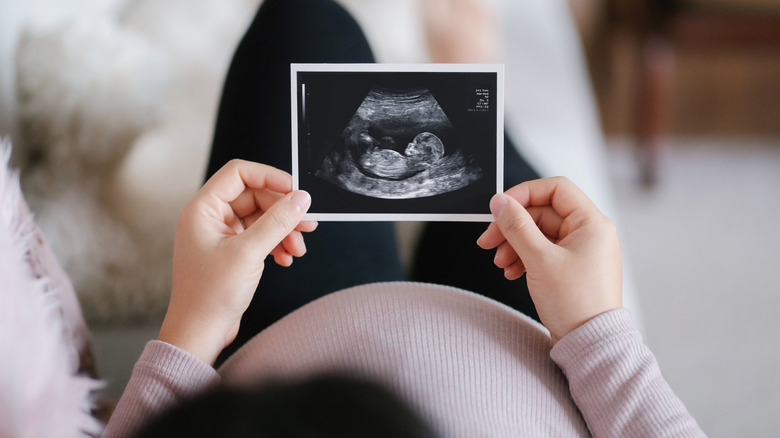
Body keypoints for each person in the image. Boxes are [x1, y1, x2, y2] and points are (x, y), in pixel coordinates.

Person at [102, 0, 706, 436]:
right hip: (536, 341)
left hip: (278, 338)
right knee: (501, 176)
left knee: (303, 21)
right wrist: (597, 331)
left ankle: (466, 88)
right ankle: (469, 76)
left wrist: (189, 327)